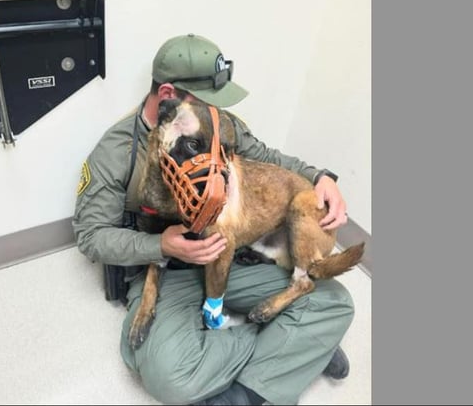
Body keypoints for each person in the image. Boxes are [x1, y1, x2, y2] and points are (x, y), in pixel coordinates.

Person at [73, 33, 355, 406]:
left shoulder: (219, 124)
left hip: (233, 253)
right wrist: (160, 245)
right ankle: (295, 349)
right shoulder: (117, 151)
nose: (218, 112)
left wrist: (321, 177)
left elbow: (267, 156)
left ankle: (265, 373)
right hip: (167, 270)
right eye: (209, 100)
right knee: (168, 375)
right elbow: (91, 236)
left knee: (337, 302)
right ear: (169, 95)